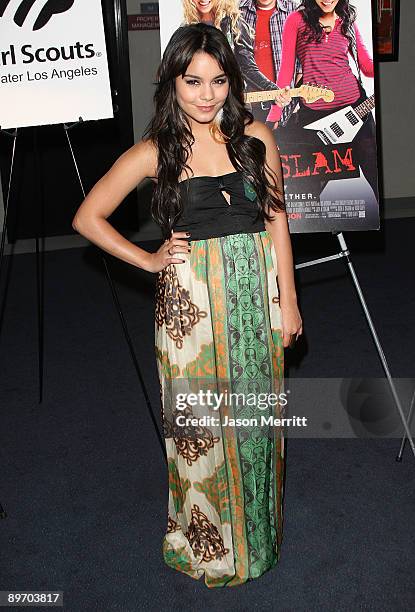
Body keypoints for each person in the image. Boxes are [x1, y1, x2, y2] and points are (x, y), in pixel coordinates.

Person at [72, 22, 302, 588]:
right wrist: (149, 261)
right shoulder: (156, 150)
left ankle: (256, 541)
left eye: (219, 80)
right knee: (198, 430)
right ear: (172, 81)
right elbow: (87, 217)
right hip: (189, 306)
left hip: (254, 296)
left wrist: (288, 301)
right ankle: (207, 546)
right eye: (193, 80)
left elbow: (276, 221)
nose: (207, 94)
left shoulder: (256, 137)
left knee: (254, 423)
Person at [265, 0, 378, 198]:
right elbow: (285, 73)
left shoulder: (347, 20)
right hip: (314, 118)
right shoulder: (296, 20)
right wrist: (273, 118)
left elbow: (367, 67)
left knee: (375, 174)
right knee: (309, 190)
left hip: (356, 111)